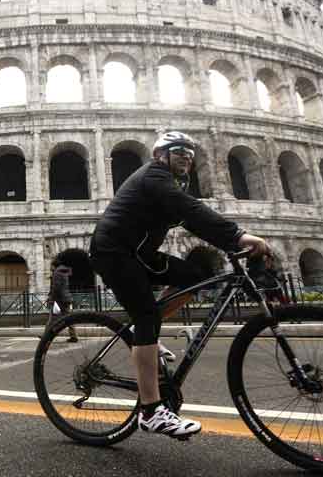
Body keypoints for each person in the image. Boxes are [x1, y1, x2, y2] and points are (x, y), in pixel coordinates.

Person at [89, 131, 268, 439]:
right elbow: (189, 210)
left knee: (194, 276)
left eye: (189, 152)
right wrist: (237, 236)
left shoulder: (173, 182)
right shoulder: (154, 175)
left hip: (138, 253)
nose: (186, 155)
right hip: (114, 252)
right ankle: (150, 412)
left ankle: (141, 334)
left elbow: (193, 219)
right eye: (178, 151)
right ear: (161, 155)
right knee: (147, 316)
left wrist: (227, 242)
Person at [45, 262, 78, 342]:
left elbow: (56, 287)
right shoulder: (63, 272)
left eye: (51, 266)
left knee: (52, 319)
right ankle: (73, 336)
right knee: (68, 318)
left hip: (59, 299)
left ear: (54, 266)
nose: (50, 268)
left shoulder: (57, 273)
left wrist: (52, 298)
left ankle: (46, 337)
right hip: (66, 298)